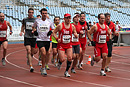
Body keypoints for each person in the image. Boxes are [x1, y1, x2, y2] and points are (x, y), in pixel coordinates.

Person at [32, 8, 55, 76]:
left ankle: (44, 65)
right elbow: (33, 27)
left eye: (45, 13)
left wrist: (51, 32)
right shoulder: (37, 21)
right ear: (41, 14)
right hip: (40, 39)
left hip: (47, 40)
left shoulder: (49, 21)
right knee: (43, 53)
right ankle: (43, 68)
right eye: (43, 13)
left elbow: (54, 29)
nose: (44, 14)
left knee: (47, 53)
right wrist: (35, 31)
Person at [19, 8, 38, 72]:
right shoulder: (25, 19)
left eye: (32, 12)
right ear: (28, 12)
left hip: (34, 37)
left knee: (33, 52)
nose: (31, 13)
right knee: (29, 51)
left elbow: (37, 27)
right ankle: (31, 66)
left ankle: (29, 59)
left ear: (33, 13)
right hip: (27, 37)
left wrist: (34, 30)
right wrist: (21, 31)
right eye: (30, 12)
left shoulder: (36, 20)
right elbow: (23, 26)